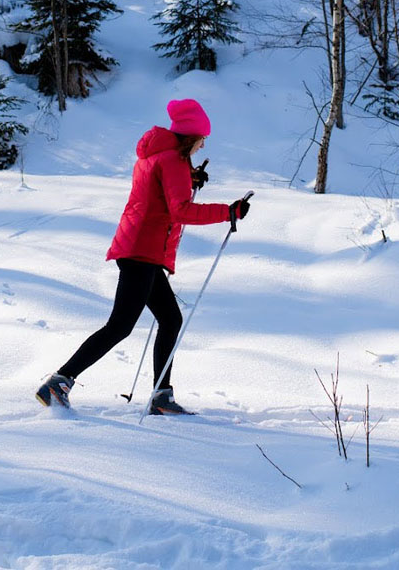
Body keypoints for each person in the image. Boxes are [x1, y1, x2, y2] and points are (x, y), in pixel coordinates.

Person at [35, 99, 251, 415]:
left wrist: (190, 179)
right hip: (142, 252)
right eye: (202, 138)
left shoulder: (157, 155)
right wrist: (228, 212)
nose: (204, 145)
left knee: (170, 319)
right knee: (120, 326)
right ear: (191, 136)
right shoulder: (173, 160)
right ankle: (60, 381)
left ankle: (161, 396)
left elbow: (159, 193)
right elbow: (181, 210)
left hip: (139, 248)